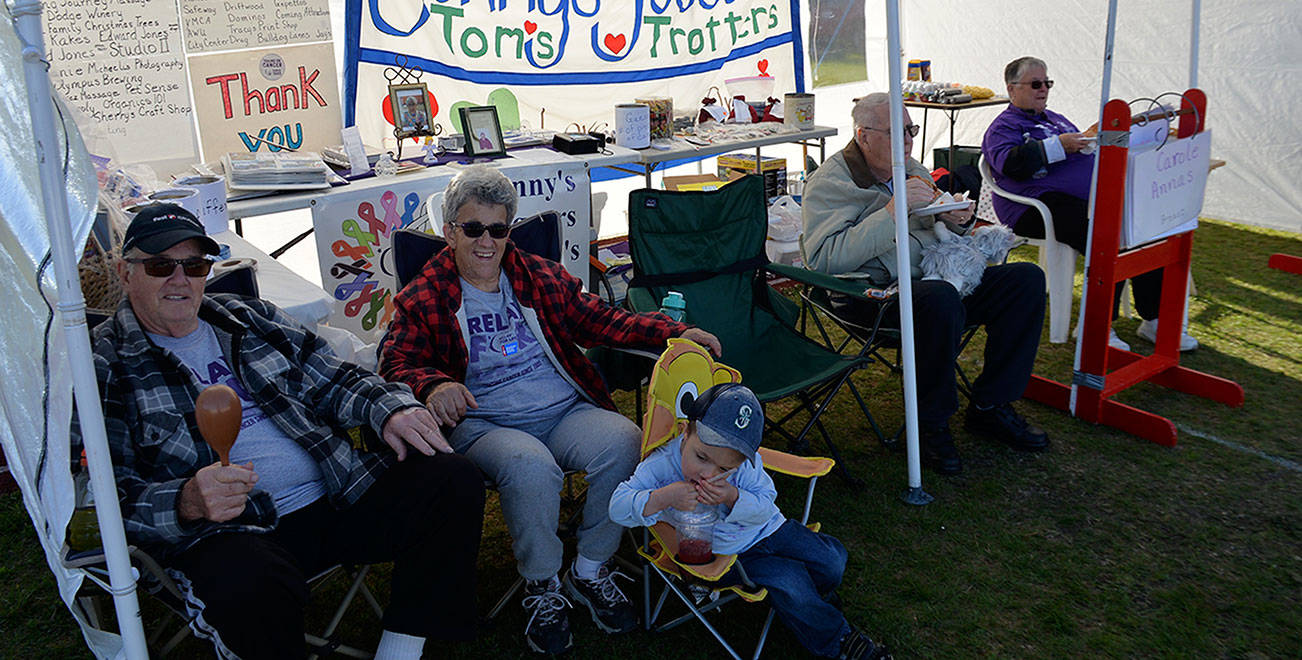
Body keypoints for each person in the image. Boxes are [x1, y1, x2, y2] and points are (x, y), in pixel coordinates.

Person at [88, 203, 485, 660]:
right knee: (247, 587)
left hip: (336, 492)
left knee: (454, 479)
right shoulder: (105, 365)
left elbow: (334, 377)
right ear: (124, 272)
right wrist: (186, 501)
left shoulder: (246, 317)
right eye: (160, 265)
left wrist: (390, 409)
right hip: (231, 534)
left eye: (194, 265)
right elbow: (104, 503)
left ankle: (401, 647)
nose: (180, 280)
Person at [380, 164, 722, 655]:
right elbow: (394, 360)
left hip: (562, 409)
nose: (486, 241)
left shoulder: (534, 274)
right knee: (530, 466)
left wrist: (671, 332)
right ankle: (542, 586)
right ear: (450, 232)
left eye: (498, 229)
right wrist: (432, 384)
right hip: (486, 423)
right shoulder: (426, 294)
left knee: (625, 439)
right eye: (473, 228)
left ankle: (590, 568)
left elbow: (598, 320)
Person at [801, 93, 1049, 475]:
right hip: (871, 295)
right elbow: (823, 259)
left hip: (937, 278)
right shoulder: (830, 182)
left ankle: (991, 405)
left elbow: (935, 217)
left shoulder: (908, 166)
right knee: (940, 299)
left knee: (1025, 280)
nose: (908, 141)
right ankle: (931, 425)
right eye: (896, 133)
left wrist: (957, 217)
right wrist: (892, 211)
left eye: (911, 130)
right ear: (863, 136)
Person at [609, 384, 891, 660]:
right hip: (731, 555)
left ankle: (811, 608)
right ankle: (841, 644)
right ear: (686, 432)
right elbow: (617, 507)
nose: (708, 474)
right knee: (791, 584)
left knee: (833, 561)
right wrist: (663, 498)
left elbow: (766, 505)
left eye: (723, 469)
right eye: (702, 457)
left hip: (771, 529)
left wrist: (732, 497)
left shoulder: (745, 465)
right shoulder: (661, 467)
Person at [982, 56, 1197, 351]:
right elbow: (1009, 163)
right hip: (1034, 206)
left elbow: (1085, 146)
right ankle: (1095, 327)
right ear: (1011, 88)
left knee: (1141, 224)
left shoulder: (1056, 118)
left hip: (1080, 199)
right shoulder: (1004, 126)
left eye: (1047, 83)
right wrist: (1060, 146)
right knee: (1108, 234)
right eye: (1035, 84)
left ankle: (1153, 319)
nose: (1043, 89)